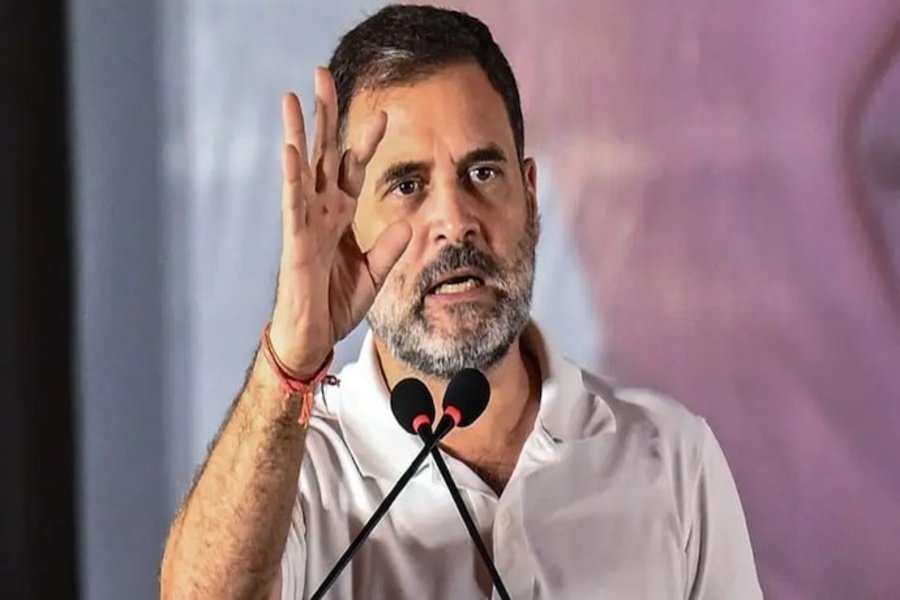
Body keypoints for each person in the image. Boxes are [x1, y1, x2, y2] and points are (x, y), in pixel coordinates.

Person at [159, 4, 762, 599]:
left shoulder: (671, 459)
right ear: (347, 228)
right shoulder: (298, 479)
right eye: (407, 185)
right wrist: (290, 361)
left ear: (530, 195)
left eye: (482, 174)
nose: (454, 221)